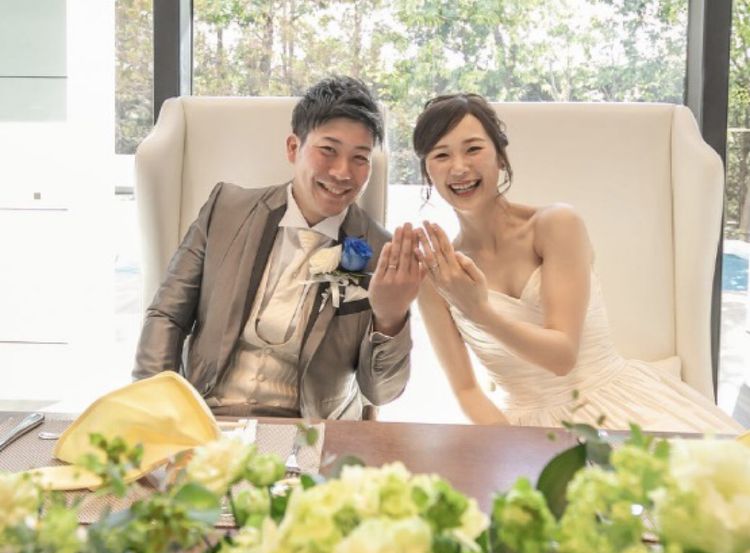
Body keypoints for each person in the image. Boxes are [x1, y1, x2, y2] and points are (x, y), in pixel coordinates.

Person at [412, 93, 742, 433]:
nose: (459, 167)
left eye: (473, 149)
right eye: (441, 155)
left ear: (500, 157)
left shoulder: (556, 225)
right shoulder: (435, 278)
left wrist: (479, 311)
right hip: (522, 431)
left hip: (618, 411)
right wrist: (511, 446)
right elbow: (467, 391)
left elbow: (562, 356)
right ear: (428, 171)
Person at [133, 76, 421, 420]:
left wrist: (391, 318)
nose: (343, 172)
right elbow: (167, 314)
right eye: (328, 150)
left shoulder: (380, 250)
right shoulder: (226, 210)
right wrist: (153, 408)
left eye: (360, 158)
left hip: (313, 429)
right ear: (293, 148)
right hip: (208, 417)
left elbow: (381, 393)